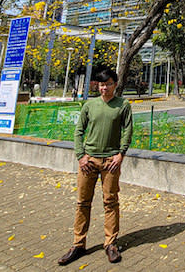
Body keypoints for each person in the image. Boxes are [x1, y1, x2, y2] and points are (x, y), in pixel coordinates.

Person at [58, 67, 133, 266]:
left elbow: (127, 131)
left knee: (111, 202)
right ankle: (78, 244)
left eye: (108, 84)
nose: (105, 88)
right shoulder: (90, 106)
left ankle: (110, 243)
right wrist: (81, 156)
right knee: (82, 202)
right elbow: (78, 131)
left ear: (115, 84)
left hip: (110, 162)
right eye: (101, 84)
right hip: (89, 161)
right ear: (97, 86)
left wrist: (121, 154)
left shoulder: (123, 105)